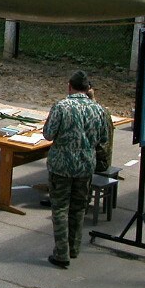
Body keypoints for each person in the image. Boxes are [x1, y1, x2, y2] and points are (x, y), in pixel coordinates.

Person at [43, 70, 110, 268]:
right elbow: (104, 138)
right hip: (85, 165)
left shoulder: (61, 106)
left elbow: (48, 134)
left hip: (61, 166)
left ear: (69, 86)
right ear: (88, 88)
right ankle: (74, 247)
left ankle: (61, 252)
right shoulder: (98, 109)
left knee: (60, 208)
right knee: (79, 208)